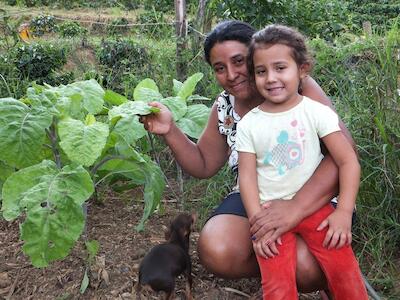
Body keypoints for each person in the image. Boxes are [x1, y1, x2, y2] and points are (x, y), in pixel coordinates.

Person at [140, 20, 356, 294]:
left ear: (257, 55)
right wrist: (170, 130)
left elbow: (345, 155)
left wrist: (295, 208)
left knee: (305, 267)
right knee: (217, 248)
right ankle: (276, 262)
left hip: (316, 195)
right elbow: (205, 163)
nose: (231, 74)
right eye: (220, 68)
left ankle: (309, 264)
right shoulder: (225, 105)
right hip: (257, 196)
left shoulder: (299, 87)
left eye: (239, 61)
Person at [236, 24, 368, 299]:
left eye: (280, 68)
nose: (271, 78)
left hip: (317, 209)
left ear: (302, 70)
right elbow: (246, 177)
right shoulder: (249, 124)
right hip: (270, 213)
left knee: (344, 272)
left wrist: (343, 212)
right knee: (276, 285)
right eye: (261, 71)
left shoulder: (316, 112)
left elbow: (348, 162)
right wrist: (257, 224)